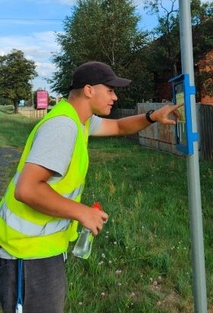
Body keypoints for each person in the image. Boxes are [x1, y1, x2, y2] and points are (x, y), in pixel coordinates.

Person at [0, 61, 181, 313]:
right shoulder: (62, 126)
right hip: (27, 252)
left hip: (43, 248)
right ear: (88, 90)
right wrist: (82, 212)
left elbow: (118, 126)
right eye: (110, 90)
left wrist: (152, 116)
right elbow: (27, 190)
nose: (115, 97)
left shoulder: (79, 121)